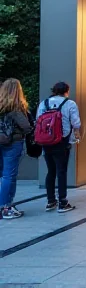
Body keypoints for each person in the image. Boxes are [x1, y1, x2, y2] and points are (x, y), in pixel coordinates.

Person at [37, 82, 81, 212]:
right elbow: (76, 122)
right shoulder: (69, 103)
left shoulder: (44, 103)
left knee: (51, 171)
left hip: (46, 141)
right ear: (67, 90)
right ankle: (63, 202)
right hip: (62, 140)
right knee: (61, 171)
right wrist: (76, 136)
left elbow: (38, 120)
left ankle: (50, 201)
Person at [0, 78, 33, 219]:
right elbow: (26, 127)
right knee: (9, 175)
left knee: (3, 174)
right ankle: (5, 207)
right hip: (13, 143)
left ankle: (5, 204)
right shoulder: (15, 108)